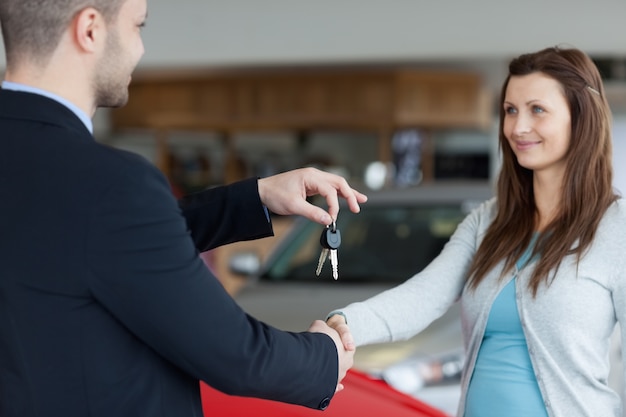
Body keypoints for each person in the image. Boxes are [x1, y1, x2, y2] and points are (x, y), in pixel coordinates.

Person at [0, 0, 367, 416]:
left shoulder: (86, 191)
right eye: (137, 26)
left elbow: (90, 244)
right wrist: (325, 355)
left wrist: (255, 196)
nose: (140, 50)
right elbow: (236, 354)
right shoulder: (113, 187)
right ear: (89, 29)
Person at [327, 45, 626, 417]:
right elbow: (420, 298)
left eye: (537, 110)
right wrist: (343, 323)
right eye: (510, 110)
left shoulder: (616, 228)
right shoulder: (488, 222)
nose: (518, 127)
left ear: (580, 119)